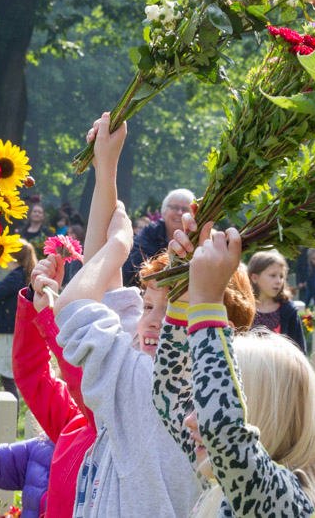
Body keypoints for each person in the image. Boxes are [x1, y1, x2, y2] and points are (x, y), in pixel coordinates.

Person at [44, 112, 202, 517]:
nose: (149, 320)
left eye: (169, 314)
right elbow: (105, 289)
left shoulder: (144, 385)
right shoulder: (197, 387)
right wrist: (106, 168)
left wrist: (119, 245)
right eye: (148, 305)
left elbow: (76, 305)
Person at [157, 218, 315, 517]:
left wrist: (207, 300)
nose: (190, 419)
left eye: (206, 403)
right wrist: (185, 290)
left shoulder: (286, 501)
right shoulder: (234, 478)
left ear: (266, 412)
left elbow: (221, 429)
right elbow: (168, 392)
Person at [0, 243, 37, 398]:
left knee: (8, 376)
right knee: (9, 376)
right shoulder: (24, 274)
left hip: (8, 331)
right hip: (14, 329)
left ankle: (11, 416)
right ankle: (13, 415)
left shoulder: (17, 275)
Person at [121, 188, 194, 286]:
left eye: (185, 209)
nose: (180, 212)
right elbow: (140, 267)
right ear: (164, 212)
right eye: (174, 207)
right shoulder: (150, 233)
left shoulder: (196, 237)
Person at [247, 250, 307, 352]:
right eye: (273, 275)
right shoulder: (243, 308)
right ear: (254, 278)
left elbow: (299, 350)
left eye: (281, 276)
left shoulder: (288, 310)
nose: (279, 281)